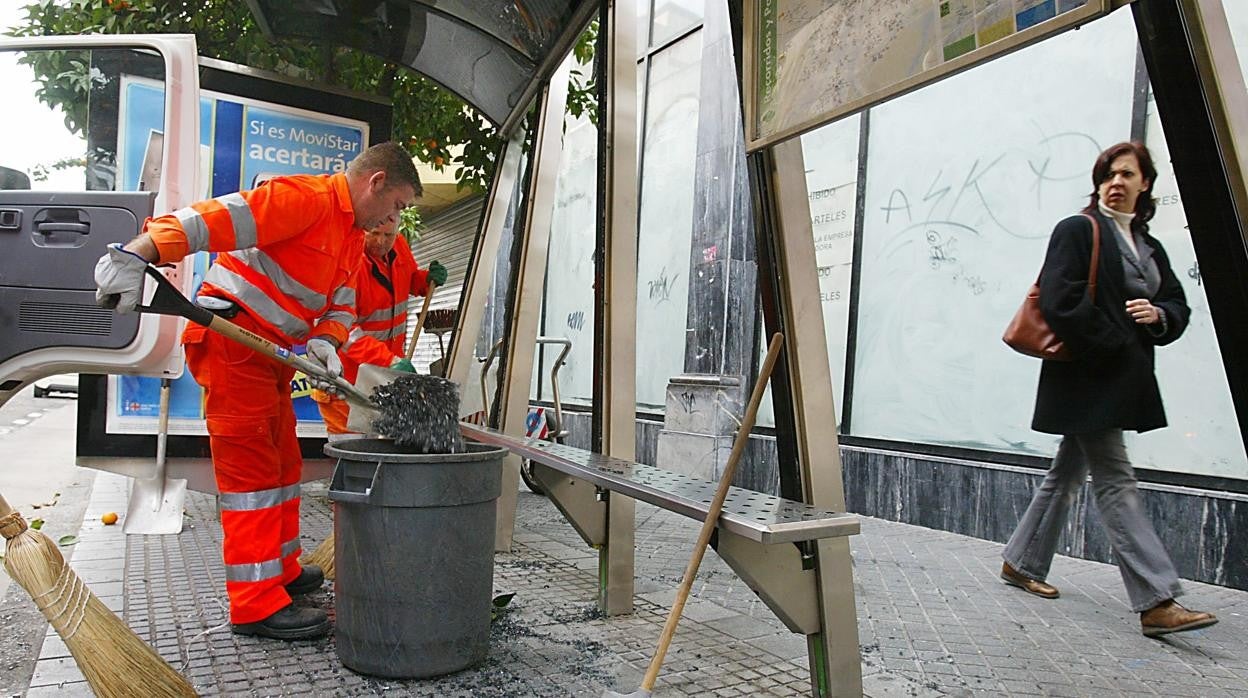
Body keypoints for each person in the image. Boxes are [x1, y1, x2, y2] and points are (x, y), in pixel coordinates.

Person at [93, 142, 422, 640]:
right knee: (251, 475)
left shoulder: (352, 237)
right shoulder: (305, 199)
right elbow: (211, 220)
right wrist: (138, 253)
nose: (393, 218)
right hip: (232, 343)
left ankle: (282, 571)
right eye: (397, 204)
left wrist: (327, 341)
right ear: (375, 182)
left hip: (270, 355)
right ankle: (254, 604)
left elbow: (342, 303)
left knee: (283, 463)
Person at [1000, 141, 1217, 638]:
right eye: (1107, 175)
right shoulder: (1079, 229)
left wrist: (1158, 315)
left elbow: (1176, 304)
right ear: (1099, 184)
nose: (1115, 182)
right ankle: (1156, 599)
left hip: (1123, 378)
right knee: (1117, 480)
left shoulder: (1150, 246)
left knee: (1067, 472)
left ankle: (1020, 561)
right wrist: (1117, 339)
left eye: (1126, 174)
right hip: (1087, 377)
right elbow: (1061, 297)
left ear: (1145, 185)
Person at [310, 216, 448, 440]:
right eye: (374, 233)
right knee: (351, 453)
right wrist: (389, 361)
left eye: (388, 235)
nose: (381, 241)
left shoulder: (399, 246)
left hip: (382, 378)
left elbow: (408, 280)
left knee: (379, 451)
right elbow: (345, 331)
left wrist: (425, 280)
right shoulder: (348, 261)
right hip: (346, 381)